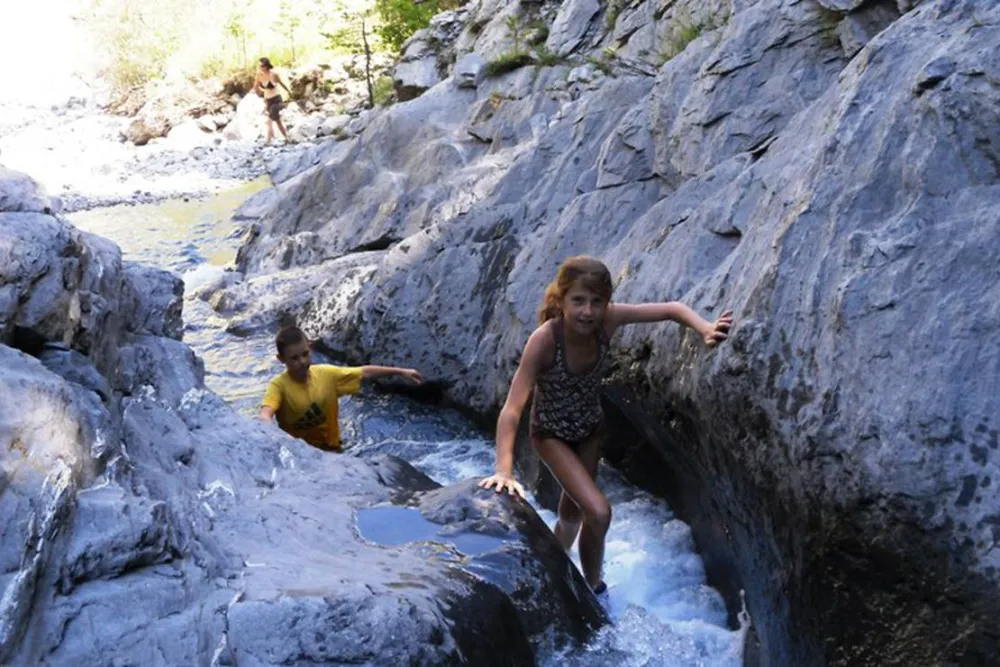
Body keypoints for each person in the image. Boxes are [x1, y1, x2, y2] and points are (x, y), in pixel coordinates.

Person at [478, 255, 733, 593]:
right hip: (551, 434)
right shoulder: (544, 340)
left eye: (596, 302)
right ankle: (592, 587)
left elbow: (671, 309)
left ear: (606, 302)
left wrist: (705, 328)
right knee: (599, 513)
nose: (588, 311)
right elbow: (512, 409)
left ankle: (555, 567)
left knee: (573, 512)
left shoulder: (609, 320)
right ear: (562, 300)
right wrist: (504, 470)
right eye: (578, 301)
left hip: (590, 430)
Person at [258, 326, 423, 451]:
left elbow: (364, 372)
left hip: (334, 451)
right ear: (281, 359)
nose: (302, 361)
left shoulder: (327, 375)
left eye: (305, 354)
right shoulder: (278, 386)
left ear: (310, 347)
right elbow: (265, 414)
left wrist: (401, 371)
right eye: (294, 358)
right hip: (301, 456)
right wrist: (276, 435)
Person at [253, 57, 293, 144]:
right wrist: (262, 92)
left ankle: (268, 142)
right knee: (277, 121)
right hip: (268, 101)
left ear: (267, 66)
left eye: (262, 66)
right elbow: (255, 87)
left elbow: (281, 84)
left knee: (270, 120)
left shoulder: (273, 75)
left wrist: (289, 93)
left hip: (276, 99)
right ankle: (286, 138)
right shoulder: (259, 76)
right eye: (259, 66)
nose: (261, 68)